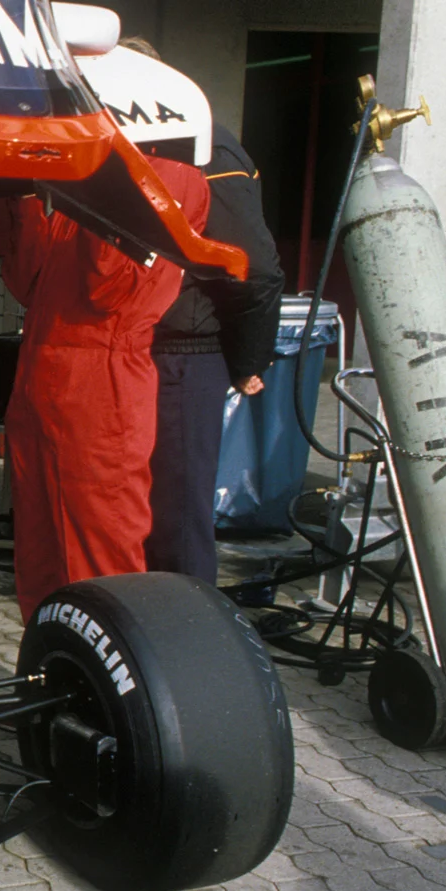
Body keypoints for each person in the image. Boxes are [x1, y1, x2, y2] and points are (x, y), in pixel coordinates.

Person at [0, 154, 211, 623]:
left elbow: (107, 287)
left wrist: (98, 179)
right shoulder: (83, 177)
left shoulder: (170, 173)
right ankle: (51, 666)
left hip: (102, 385)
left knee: (101, 559)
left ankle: (113, 684)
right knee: (38, 558)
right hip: (40, 375)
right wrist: (23, 193)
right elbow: (27, 280)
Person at [145, 123, 283, 583]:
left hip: (182, 349)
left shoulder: (205, 148)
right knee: (139, 509)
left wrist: (248, 358)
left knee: (177, 513)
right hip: (140, 346)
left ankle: (189, 629)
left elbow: (255, 269)